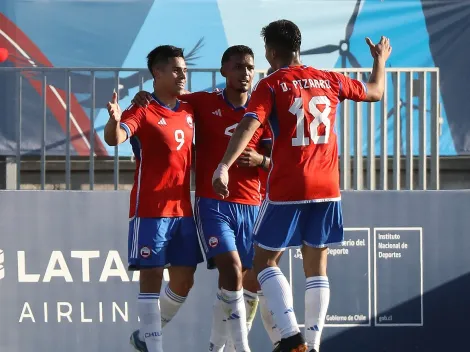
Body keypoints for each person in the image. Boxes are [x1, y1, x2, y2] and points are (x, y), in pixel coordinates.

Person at [212, 20, 392, 352]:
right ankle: (313, 344)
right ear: (299, 46)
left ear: (271, 51)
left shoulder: (272, 84)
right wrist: (379, 60)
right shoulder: (330, 78)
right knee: (316, 267)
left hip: (289, 185)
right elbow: (376, 92)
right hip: (328, 186)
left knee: (263, 261)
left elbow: (250, 124)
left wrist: (223, 164)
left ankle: (292, 336)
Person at [130, 46, 280, 351]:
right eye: (238, 67)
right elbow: (165, 101)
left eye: (250, 67)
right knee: (232, 270)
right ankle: (242, 347)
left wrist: (261, 162)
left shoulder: (262, 109)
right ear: (224, 71)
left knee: (241, 282)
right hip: (213, 203)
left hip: (253, 204)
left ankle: (206, 345)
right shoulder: (202, 101)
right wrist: (142, 96)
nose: (245, 73)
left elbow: (280, 160)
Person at [104, 45, 204, 352]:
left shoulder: (189, 108)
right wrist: (114, 119)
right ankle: (154, 346)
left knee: (184, 281)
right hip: (150, 208)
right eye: (176, 70)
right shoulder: (143, 108)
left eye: (185, 70)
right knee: (151, 276)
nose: (182, 75)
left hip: (183, 210)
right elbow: (116, 137)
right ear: (156, 73)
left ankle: (145, 335)